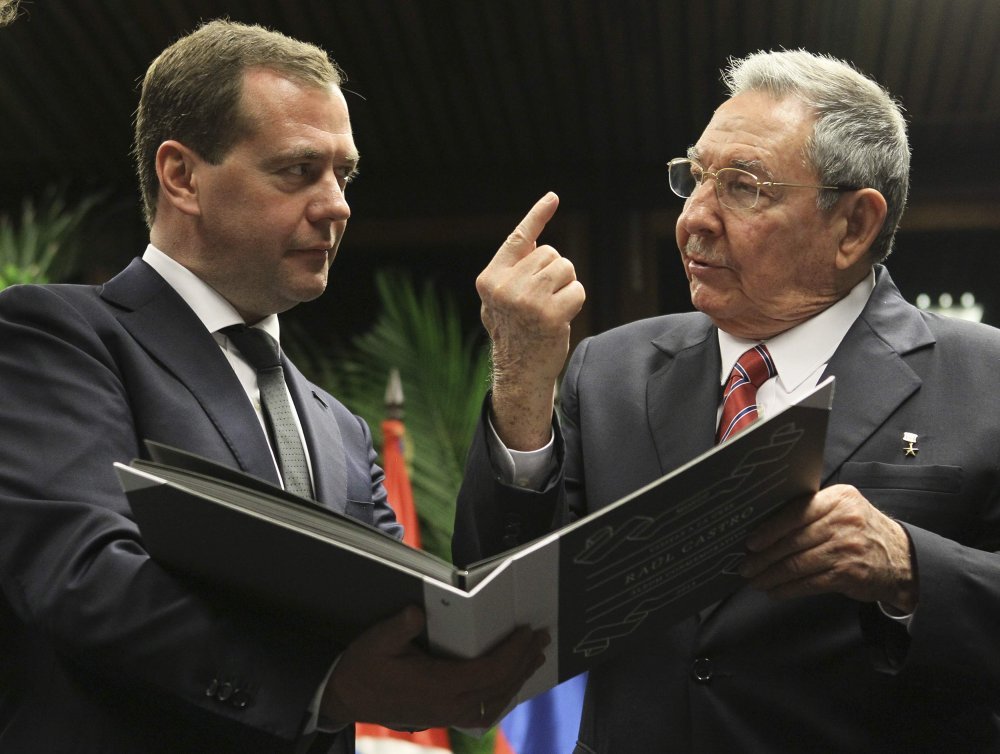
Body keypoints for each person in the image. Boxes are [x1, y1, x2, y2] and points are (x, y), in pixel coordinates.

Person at [0, 20, 546, 754]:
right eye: (298, 170)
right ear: (181, 176)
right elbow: (81, 578)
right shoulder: (58, 337)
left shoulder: (339, 428)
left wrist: (523, 374)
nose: (337, 204)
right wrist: (327, 688)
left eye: (343, 175)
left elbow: (415, 624)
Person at [455, 49, 1000, 752]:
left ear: (854, 226)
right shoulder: (611, 371)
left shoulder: (984, 378)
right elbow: (497, 616)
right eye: (694, 178)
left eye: (743, 187)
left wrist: (907, 566)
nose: (694, 219)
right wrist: (522, 385)